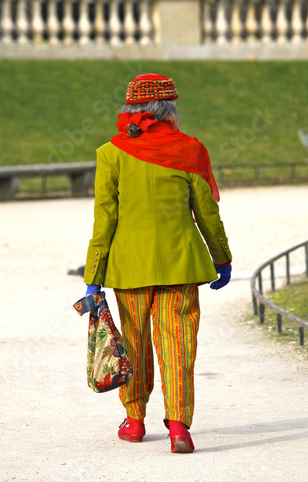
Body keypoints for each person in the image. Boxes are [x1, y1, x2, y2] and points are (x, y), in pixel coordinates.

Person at [84, 73, 232, 453]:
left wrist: (93, 277)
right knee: (178, 346)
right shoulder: (190, 149)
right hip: (181, 267)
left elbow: (105, 221)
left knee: (131, 344)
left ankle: (134, 421)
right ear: (170, 110)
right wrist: (222, 258)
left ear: (130, 110)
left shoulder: (110, 154)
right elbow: (207, 214)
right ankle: (179, 427)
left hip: (128, 270)